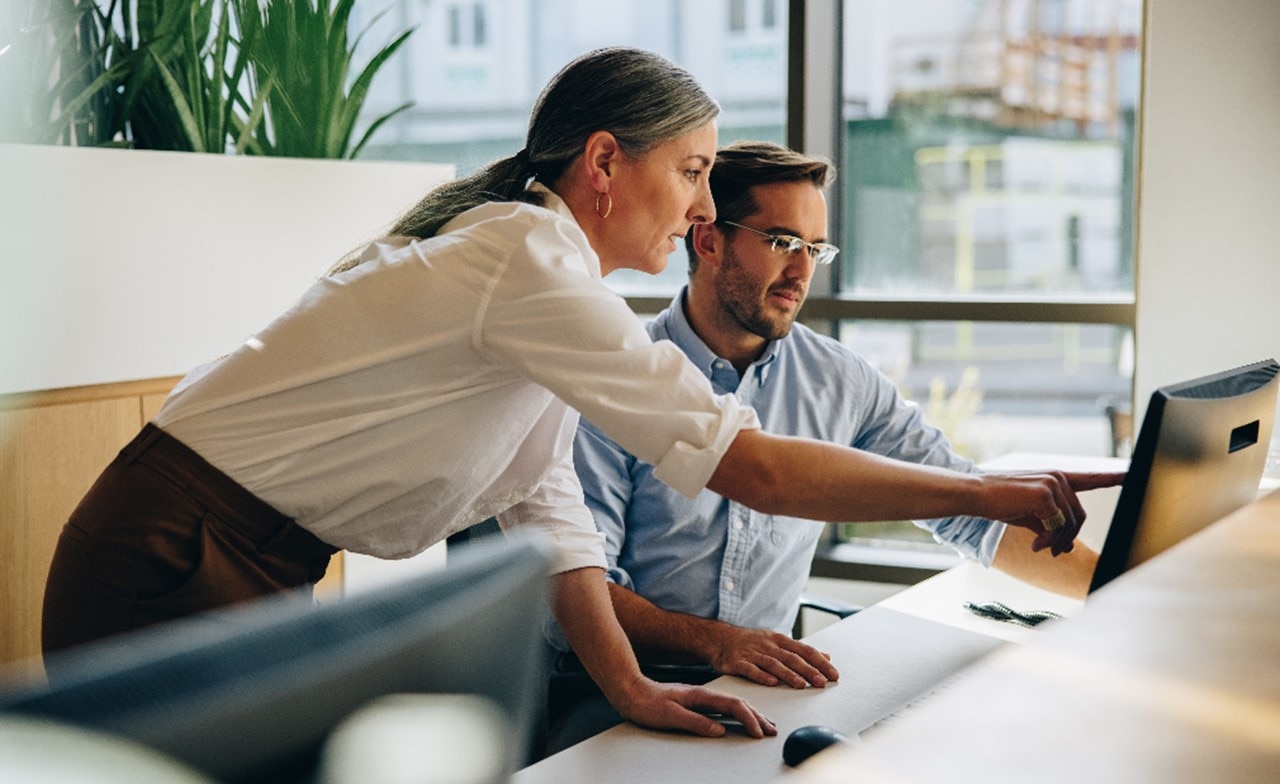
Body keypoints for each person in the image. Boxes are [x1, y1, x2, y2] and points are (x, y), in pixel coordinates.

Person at [41, 47, 1119, 742]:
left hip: (243, 551)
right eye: (692, 170)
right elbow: (747, 465)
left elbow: (547, 512)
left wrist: (632, 690)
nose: (701, 204)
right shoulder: (527, 263)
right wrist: (990, 495)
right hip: (172, 547)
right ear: (605, 162)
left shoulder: (549, 292)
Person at [542, 141, 1105, 749]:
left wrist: (1117, 596)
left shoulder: (839, 380)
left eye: (815, 249)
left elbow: (972, 515)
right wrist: (721, 642)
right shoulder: (617, 377)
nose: (803, 271)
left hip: (766, 689)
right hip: (617, 689)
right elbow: (581, 584)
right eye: (783, 243)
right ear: (708, 240)